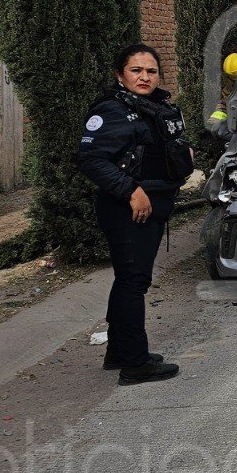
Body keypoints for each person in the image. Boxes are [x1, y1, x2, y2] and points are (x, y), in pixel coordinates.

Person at [77, 44, 193, 386]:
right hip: (129, 210)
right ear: (120, 74)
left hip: (153, 204)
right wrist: (131, 190)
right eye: (136, 71)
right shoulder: (112, 110)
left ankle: (119, 352)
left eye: (151, 71)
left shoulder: (152, 107)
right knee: (133, 282)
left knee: (129, 280)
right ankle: (135, 365)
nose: (144, 77)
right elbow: (91, 160)